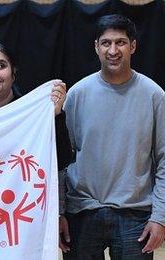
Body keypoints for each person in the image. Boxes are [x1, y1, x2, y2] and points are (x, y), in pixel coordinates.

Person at [59, 14, 165, 259]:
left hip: (135, 216)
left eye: (121, 42)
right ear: (96, 47)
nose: (113, 50)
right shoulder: (77, 94)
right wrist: (60, 212)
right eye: (106, 43)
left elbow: (163, 161)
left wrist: (159, 217)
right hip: (82, 213)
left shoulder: (154, 95)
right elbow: (62, 159)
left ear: (133, 46)